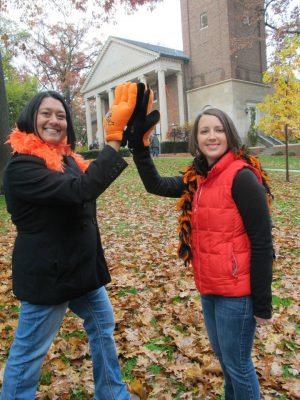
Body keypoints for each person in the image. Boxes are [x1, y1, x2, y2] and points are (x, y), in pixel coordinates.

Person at [123, 88, 274, 400]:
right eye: (205, 130)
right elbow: (156, 185)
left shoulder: (242, 177)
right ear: (196, 138)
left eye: (218, 130)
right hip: (210, 288)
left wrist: (262, 303)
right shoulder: (199, 177)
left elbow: (262, 242)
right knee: (229, 364)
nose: (212, 136)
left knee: (239, 365)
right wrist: (139, 147)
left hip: (238, 294)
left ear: (229, 135)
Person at [1, 84, 141, 399]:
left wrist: (132, 138)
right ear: (30, 118)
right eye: (46, 114)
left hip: (81, 268)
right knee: (29, 352)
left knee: (103, 324)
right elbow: (80, 191)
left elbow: (87, 183)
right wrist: (113, 139)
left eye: (61, 116)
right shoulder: (22, 166)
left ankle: (111, 393)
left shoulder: (66, 160)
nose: (54, 121)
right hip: (49, 275)